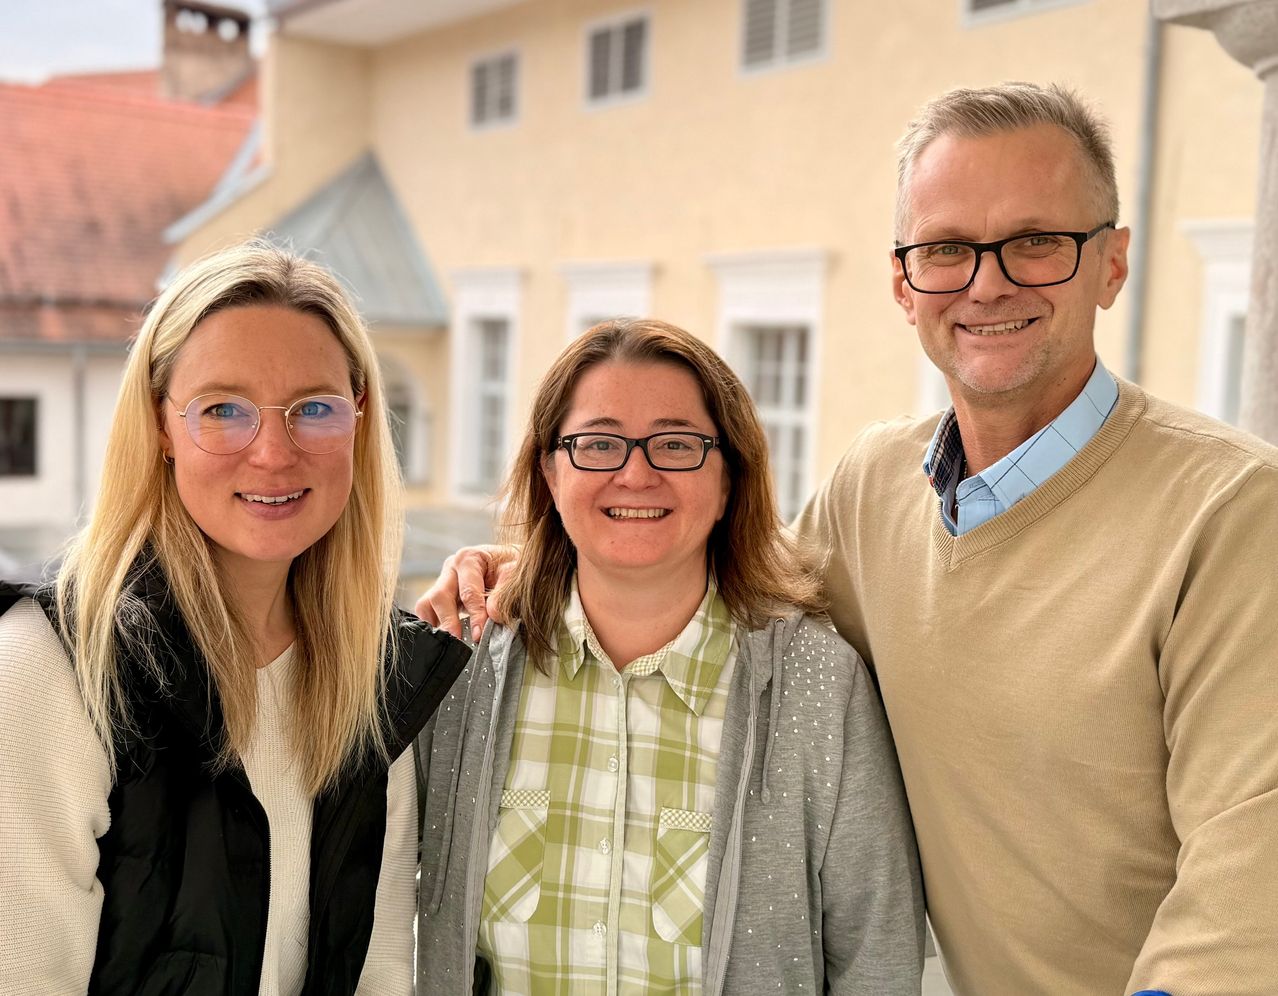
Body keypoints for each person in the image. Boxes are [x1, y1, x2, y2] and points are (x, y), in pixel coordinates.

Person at [418, 83, 1278, 995]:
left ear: (1112, 263)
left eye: (1037, 242)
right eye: (947, 249)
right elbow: (712, 570)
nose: (987, 282)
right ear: (904, 285)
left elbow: (1251, 866)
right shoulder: (874, 490)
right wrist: (534, 564)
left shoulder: (1230, 512)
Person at [0, 241, 471, 995]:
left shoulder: (374, 674)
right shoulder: (49, 666)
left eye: (313, 409)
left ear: (358, 416)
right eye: (223, 410)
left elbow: (380, 971)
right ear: (160, 428)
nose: (274, 453)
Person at [414, 318, 924, 994]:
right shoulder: (463, 672)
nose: (635, 473)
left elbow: (876, 960)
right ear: (549, 469)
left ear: (729, 478)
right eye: (598, 444)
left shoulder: (818, 687)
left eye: (676, 445)